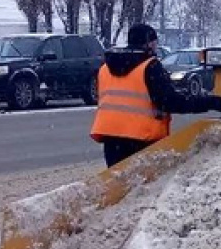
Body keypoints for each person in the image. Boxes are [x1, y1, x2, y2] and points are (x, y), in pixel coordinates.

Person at [90, 23, 210, 168]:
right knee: (144, 187)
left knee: (118, 185)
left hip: (111, 138)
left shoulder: (105, 68)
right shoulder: (150, 67)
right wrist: (209, 102)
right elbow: (169, 102)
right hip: (142, 138)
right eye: (154, 42)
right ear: (149, 43)